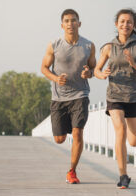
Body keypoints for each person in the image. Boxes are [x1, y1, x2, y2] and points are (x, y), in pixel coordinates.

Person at [94, 9, 136, 189]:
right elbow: (96, 70)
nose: (125, 25)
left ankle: (125, 166)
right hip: (115, 95)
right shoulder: (109, 47)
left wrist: (135, 65)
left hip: (134, 96)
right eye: (122, 22)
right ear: (116, 24)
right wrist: (102, 75)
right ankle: (123, 175)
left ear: (133, 25)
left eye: (129, 22)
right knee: (121, 131)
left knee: (134, 141)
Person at [41, 9, 96, 184]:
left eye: (73, 20)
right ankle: (64, 132)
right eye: (67, 21)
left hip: (80, 95)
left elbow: (94, 69)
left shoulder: (89, 46)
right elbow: (43, 67)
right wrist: (56, 78)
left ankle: (72, 171)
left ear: (79, 24)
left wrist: (89, 73)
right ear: (62, 25)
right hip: (59, 98)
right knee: (59, 139)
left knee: (78, 133)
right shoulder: (54, 44)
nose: (70, 23)